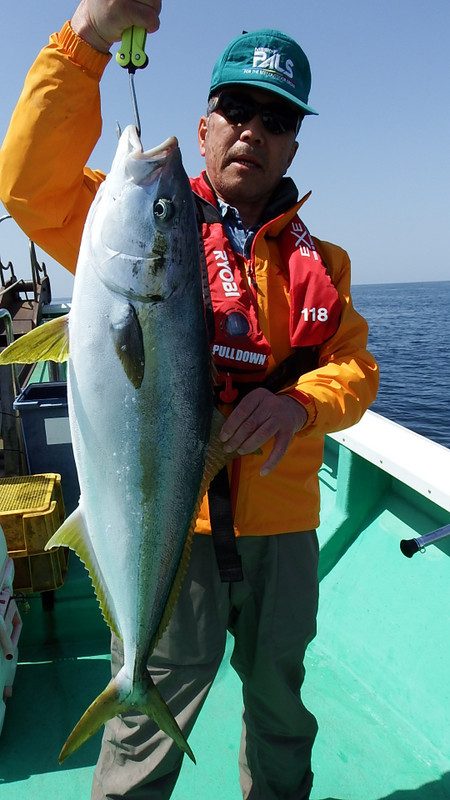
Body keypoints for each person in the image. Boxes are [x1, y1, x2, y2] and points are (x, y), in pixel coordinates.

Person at [0, 2, 379, 798]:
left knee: (281, 705)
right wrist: (88, 39)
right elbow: (29, 185)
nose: (253, 129)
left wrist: (300, 406)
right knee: (145, 721)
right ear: (205, 128)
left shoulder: (326, 265)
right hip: (179, 526)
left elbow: (353, 368)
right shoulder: (138, 219)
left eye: (274, 118)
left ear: (292, 146)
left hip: (285, 533)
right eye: (236, 109)